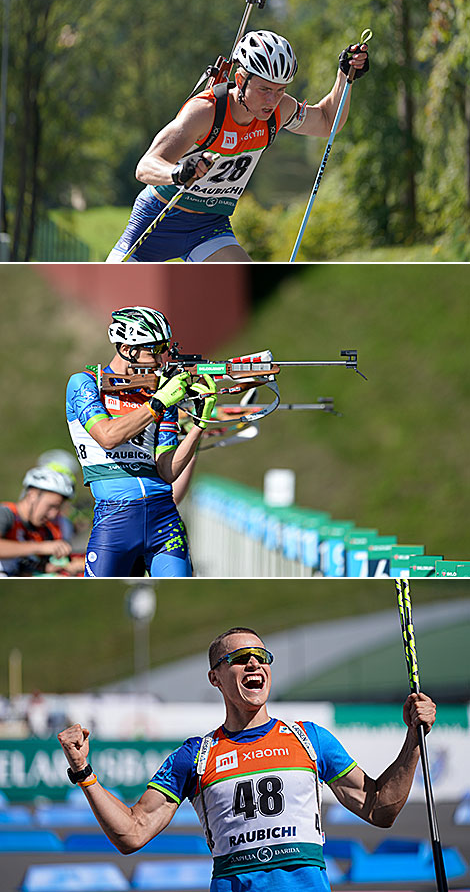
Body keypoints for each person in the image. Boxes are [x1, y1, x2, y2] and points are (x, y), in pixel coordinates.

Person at [58, 625, 437, 892]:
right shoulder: (195, 756)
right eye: (240, 658)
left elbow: (378, 809)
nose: (255, 664)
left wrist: (414, 740)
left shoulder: (310, 739)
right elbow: (133, 832)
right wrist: (84, 772)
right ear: (216, 678)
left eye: (262, 656)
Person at [106, 33, 369, 263]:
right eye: (264, 89)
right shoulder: (205, 112)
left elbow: (326, 122)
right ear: (241, 79)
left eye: (280, 90)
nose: (272, 100)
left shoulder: (278, 110)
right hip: (159, 220)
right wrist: (177, 173)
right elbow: (145, 166)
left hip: (209, 227)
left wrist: (344, 77)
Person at [65, 306, 216, 577]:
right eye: (152, 352)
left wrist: (199, 426)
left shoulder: (159, 393)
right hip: (114, 518)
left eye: (162, 352)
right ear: (126, 348)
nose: (159, 362)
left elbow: (167, 471)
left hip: (164, 516)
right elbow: (107, 436)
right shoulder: (84, 384)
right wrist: (157, 404)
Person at [0, 457, 83, 576]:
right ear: (32, 495)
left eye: (57, 508)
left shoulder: (39, 529)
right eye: (51, 506)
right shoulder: (6, 514)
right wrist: (40, 547)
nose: (53, 514)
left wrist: (43, 567)